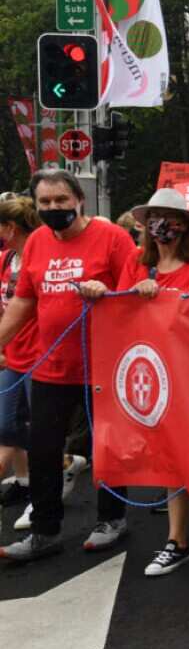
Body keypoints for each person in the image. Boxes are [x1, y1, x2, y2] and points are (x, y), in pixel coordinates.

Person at [0, 170, 137, 562]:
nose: (53, 208)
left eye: (61, 200)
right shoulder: (39, 242)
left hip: (103, 367)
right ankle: (45, 532)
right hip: (51, 367)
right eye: (45, 202)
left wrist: (107, 294)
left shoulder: (113, 238)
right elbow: (25, 301)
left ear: (79, 200)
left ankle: (112, 519)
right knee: (43, 451)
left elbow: (135, 294)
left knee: (106, 448)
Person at [117, 189, 189, 575]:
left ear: (185, 224)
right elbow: (119, 309)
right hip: (157, 371)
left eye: (170, 216)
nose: (162, 224)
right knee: (172, 451)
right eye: (156, 216)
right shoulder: (136, 261)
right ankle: (177, 540)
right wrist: (135, 294)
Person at [0, 195, 41, 513]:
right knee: (7, 423)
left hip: (39, 353)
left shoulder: (38, 257)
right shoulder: (5, 259)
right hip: (10, 352)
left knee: (36, 426)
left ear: (9, 227)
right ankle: (30, 480)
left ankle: (40, 492)